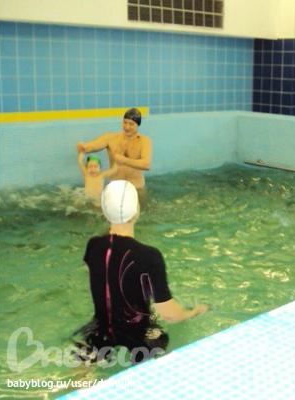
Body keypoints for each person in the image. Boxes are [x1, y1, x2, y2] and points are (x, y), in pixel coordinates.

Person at [76, 180, 208, 364]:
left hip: (101, 329)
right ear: (136, 211)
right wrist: (191, 312)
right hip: (139, 334)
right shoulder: (149, 256)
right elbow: (169, 314)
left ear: (105, 211)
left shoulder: (93, 246)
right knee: (155, 349)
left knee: (83, 366)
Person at [76, 108, 152, 190]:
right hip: (114, 187)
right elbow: (87, 148)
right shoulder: (110, 138)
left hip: (136, 187)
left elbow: (146, 165)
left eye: (131, 124)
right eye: (125, 122)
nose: (127, 127)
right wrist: (82, 147)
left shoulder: (144, 141)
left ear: (138, 125)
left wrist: (124, 160)